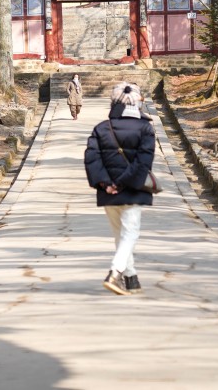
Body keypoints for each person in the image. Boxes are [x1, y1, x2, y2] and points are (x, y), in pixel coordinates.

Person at [84, 82, 155, 295]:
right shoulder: (145, 129)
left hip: (108, 191)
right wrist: (123, 183)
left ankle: (131, 279)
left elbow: (91, 158)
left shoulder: (101, 128)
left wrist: (106, 183)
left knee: (120, 234)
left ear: (114, 102)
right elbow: (144, 162)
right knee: (130, 232)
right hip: (132, 188)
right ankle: (115, 273)